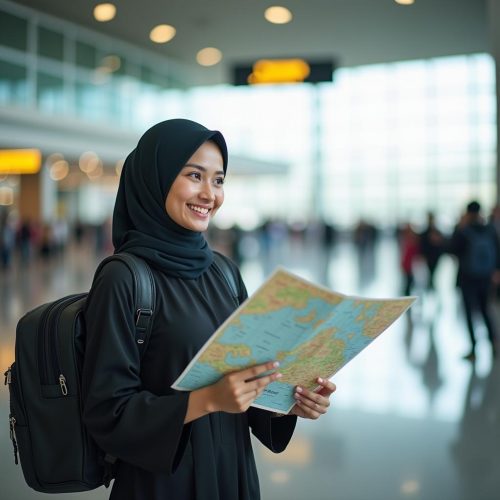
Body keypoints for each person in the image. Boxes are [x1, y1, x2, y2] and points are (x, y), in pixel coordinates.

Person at [81, 119, 336, 500]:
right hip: (162, 483)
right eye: (194, 176)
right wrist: (208, 400)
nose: (209, 194)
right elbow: (107, 411)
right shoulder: (125, 278)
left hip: (232, 471)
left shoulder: (224, 271)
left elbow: (249, 383)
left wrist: (289, 403)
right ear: (156, 179)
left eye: (218, 180)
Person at [449, 201, 499, 360]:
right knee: (486, 310)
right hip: (485, 277)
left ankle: (473, 349)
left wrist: (459, 227)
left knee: (470, 313)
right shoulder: (489, 229)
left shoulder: (464, 231)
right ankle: (493, 343)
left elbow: (451, 249)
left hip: (467, 278)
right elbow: (497, 250)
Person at [419, 211, 445, 291]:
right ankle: (430, 286)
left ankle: (431, 286)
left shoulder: (437, 231)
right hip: (428, 255)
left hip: (435, 255)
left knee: (433, 273)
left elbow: (442, 243)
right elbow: (422, 244)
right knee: (428, 273)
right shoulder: (426, 232)